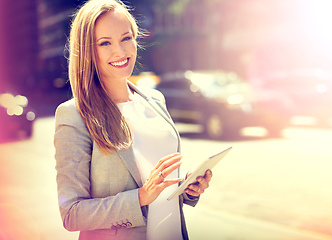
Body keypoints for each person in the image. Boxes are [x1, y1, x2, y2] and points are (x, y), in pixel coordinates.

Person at [53, 0, 213, 239]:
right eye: (105, 43)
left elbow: (160, 188)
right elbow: (72, 213)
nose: (120, 51)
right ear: (88, 50)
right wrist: (140, 197)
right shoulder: (74, 115)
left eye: (126, 38)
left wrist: (187, 189)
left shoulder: (155, 99)